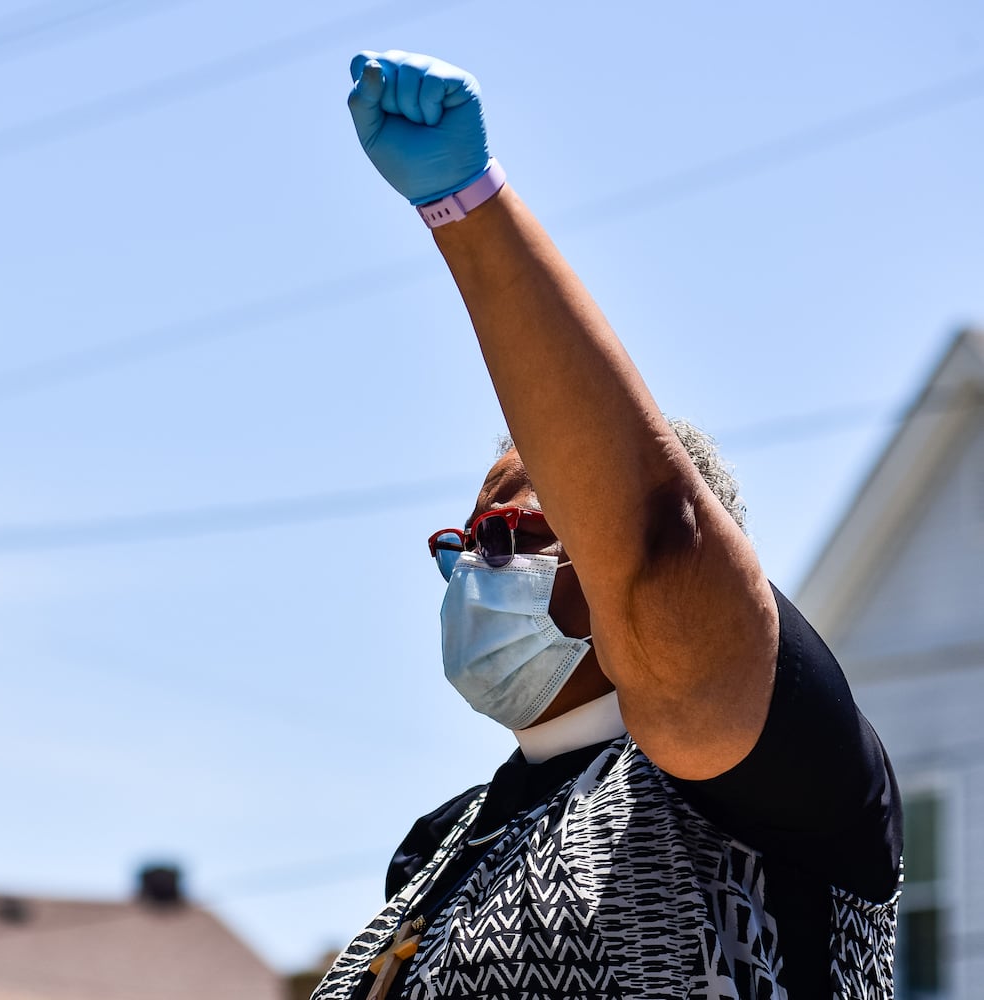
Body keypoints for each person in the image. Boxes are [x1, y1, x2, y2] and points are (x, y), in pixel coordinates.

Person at [312, 51, 902, 1000]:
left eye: (508, 534)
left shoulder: (777, 782)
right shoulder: (437, 849)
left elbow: (656, 541)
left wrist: (466, 206)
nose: (472, 568)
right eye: (460, 547)